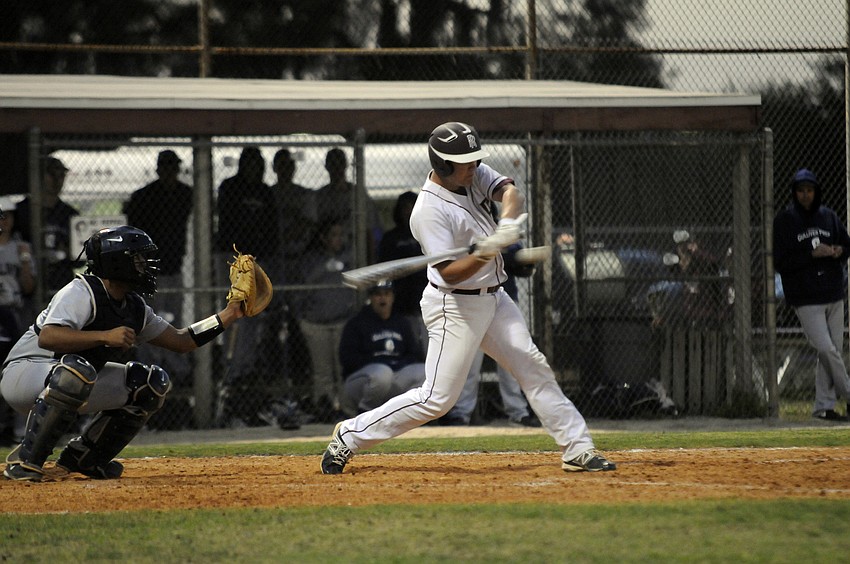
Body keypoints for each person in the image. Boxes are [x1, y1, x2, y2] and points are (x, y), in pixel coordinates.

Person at [321, 121, 616, 474]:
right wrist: (484, 253)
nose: (474, 166)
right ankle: (349, 435)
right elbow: (449, 272)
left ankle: (577, 448)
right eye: (466, 162)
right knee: (437, 399)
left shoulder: (471, 173)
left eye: (476, 161)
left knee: (531, 364)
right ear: (443, 165)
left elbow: (509, 191)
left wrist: (505, 226)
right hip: (454, 306)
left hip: (494, 298)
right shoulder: (428, 211)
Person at [0, 225, 245, 481]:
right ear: (116, 262)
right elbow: (49, 337)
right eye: (137, 258)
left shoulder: (134, 306)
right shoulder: (82, 291)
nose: (145, 265)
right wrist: (104, 336)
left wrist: (229, 314)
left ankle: (85, 458)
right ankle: (25, 463)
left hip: (70, 378)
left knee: (150, 384)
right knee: (76, 371)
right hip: (25, 371)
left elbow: (181, 340)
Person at [774, 168, 850, 421]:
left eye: (810, 190)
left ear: (816, 191)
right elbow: (781, 261)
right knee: (827, 349)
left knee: (832, 352)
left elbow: (847, 244)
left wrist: (839, 250)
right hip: (806, 298)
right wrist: (810, 255)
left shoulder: (828, 217)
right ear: (795, 193)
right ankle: (848, 395)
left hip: (833, 293)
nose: (806, 195)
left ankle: (824, 407)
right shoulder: (785, 220)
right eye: (801, 191)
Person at [441, 243, 541, 428]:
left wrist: (522, 259)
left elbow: (523, 270)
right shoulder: (466, 233)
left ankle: (518, 413)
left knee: (511, 360)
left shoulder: (503, 235)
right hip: (471, 304)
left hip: (504, 303)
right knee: (469, 362)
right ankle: (461, 413)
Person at [214, 146, 279, 424]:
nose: (256, 169)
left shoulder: (265, 191)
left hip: (258, 261)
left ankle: (246, 368)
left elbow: (271, 228)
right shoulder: (230, 187)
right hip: (234, 261)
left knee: (254, 318)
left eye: (259, 164)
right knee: (234, 312)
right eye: (251, 164)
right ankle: (231, 367)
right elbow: (227, 226)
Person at [123, 149, 193, 387]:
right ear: (159, 169)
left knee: (174, 319)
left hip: (173, 266)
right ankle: (149, 367)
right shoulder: (145, 196)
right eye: (166, 168)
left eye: (173, 168)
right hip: (150, 269)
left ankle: (176, 367)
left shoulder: (185, 194)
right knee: (149, 320)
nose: (170, 173)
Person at [295, 219, 359, 421]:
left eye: (341, 235)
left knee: (343, 368)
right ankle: (325, 410)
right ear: (323, 238)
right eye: (334, 235)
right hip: (316, 323)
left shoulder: (349, 257)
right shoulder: (311, 259)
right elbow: (302, 286)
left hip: (342, 321)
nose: (338, 239)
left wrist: (341, 266)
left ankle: (346, 411)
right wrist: (326, 268)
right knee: (322, 372)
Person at [338, 280, 426, 417]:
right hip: (361, 383)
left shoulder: (401, 322)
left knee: (425, 372)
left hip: (394, 374)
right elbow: (348, 359)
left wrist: (395, 364)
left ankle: (405, 415)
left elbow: (414, 354)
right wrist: (379, 362)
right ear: (371, 298)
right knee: (382, 373)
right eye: (378, 294)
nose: (383, 298)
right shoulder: (357, 323)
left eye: (386, 294)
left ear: (392, 297)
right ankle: (364, 414)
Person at [14, 155, 80, 297]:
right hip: (29, 281)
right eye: (51, 174)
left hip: (60, 283)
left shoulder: (70, 214)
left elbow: (80, 259)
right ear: (38, 176)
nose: (57, 180)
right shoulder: (21, 211)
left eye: (61, 175)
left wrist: (68, 252)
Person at [0, 199, 36, 446]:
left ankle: (19, 431)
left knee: (16, 368)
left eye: (8, 216)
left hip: (14, 315)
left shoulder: (21, 248)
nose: (4, 221)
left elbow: (29, 287)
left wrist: (24, 260)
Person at [377, 191, 429, 354]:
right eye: (405, 207)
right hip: (403, 302)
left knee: (430, 349)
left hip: (426, 298)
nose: (408, 211)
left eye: (412, 206)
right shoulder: (391, 238)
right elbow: (385, 269)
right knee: (410, 347)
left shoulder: (427, 233)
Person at [314, 148, 382, 263]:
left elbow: (369, 229)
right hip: (327, 251)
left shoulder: (358, 193)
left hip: (354, 249)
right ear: (327, 166)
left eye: (339, 163)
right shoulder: (321, 195)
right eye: (333, 164)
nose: (336, 168)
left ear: (345, 165)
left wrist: (371, 261)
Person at [272, 148, 316, 282]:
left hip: (301, 254)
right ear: (275, 168)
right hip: (275, 256)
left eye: (289, 165)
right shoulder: (269, 194)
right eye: (282, 165)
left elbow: (308, 222)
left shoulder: (304, 194)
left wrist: (288, 235)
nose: (286, 170)